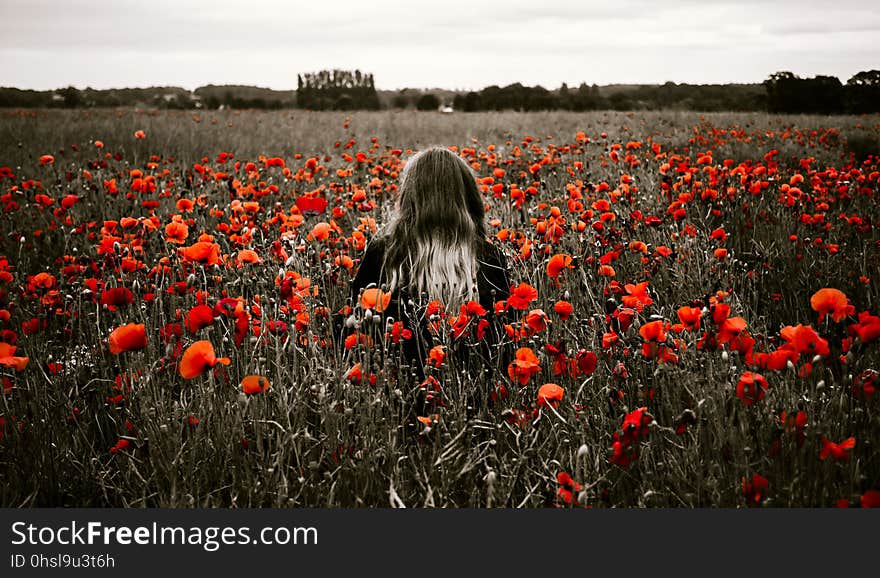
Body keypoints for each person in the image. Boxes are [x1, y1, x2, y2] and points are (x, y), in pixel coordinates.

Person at [341, 146, 511, 417]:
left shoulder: (384, 253)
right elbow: (506, 345)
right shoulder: (489, 258)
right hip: (476, 408)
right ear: (468, 197)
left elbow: (350, 331)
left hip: (396, 407)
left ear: (409, 197)